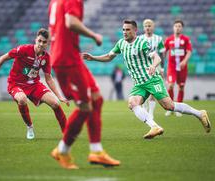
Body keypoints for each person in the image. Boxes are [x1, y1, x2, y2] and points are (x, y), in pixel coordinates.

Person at [83, 19, 211, 139]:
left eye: (128, 30)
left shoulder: (142, 43)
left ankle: (200, 114)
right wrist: (93, 57)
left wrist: (153, 66)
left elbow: (157, 57)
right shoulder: (121, 44)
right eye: (123, 30)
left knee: (169, 106)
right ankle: (154, 127)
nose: (125, 32)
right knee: (132, 103)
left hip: (152, 80)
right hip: (139, 84)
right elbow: (109, 56)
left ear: (135, 31)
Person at [48, 0, 120, 169]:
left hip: (72, 57)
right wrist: (94, 35)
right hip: (66, 60)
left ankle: (96, 151)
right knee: (85, 107)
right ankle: (62, 150)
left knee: (97, 99)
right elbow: (71, 23)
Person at [0, 28, 68, 140]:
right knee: (22, 99)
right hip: (16, 84)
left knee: (55, 103)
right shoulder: (24, 49)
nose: (41, 44)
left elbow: (49, 78)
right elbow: (3, 57)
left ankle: (67, 133)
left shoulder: (46, 58)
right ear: (36, 40)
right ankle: (30, 126)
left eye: (44, 42)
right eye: (39, 41)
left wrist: (59, 96)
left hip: (34, 85)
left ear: (48, 44)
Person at [164, 19, 192, 117]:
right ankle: (170, 107)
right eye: (176, 26)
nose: (177, 28)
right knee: (170, 85)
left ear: (182, 28)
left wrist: (184, 61)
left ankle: (179, 109)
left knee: (181, 87)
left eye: (179, 26)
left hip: (182, 67)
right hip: (171, 67)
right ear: (173, 27)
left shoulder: (186, 39)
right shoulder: (169, 39)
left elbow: (189, 51)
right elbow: (164, 51)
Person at [139, 19, 166, 119]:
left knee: (153, 89)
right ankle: (145, 108)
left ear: (153, 27)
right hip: (144, 66)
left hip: (155, 66)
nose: (147, 27)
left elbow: (162, 54)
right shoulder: (140, 39)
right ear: (143, 27)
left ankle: (151, 112)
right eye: (146, 25)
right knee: (145, 88)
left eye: (149, 25)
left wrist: (162, 68)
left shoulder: (158, 39)